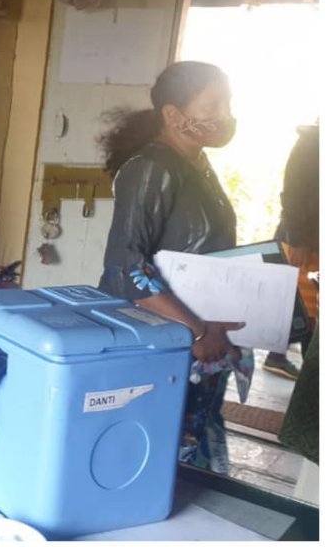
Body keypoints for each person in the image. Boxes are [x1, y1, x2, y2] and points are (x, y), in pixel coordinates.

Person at [98, 61, 250, 473]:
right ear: (172, 115)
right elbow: (125, 269)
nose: (226, 113)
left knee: (187, 450)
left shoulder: (196, 166)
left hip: (201, 341)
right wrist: (196, 329)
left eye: (228, 102)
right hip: (167, 340)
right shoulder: (151, 169)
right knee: (155, 449)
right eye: (214, 103)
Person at [265, 123, 319, 381]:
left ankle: (283, 359)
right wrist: (296, 237)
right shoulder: (311, 143)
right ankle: (296, 368)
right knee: (305, 307)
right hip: (304, 241)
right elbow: (294, 192)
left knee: (306, 307)